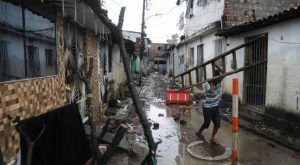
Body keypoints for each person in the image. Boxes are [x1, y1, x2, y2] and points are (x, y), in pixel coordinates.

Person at [195, 70, 222, 144]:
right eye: (219, 78)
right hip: (207, 108)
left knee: (217, 123)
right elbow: (211, 91)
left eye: (221, 78)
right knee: (206, 124)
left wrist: (220, 79)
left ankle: (212, 138)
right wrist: (212, 84)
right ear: (215, 77)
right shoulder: (206, 83)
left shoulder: (219, 84)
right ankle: (199, 131)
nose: (220, 80)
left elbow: (219, 92)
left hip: (215, 107)